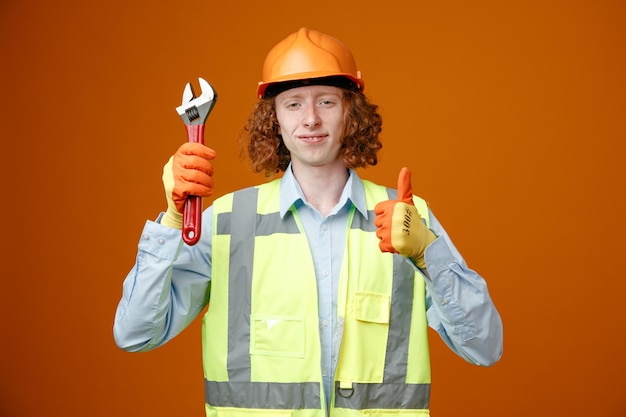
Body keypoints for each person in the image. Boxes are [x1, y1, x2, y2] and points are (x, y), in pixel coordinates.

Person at [114, 27, 503, 416]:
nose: (311, 119)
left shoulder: (406, 219)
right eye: (294, 104)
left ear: (352, 113)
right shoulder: (228, 223)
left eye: (327, 102)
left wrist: (428, 253)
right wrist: (171, 221)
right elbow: (135, 334)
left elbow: (485, 347)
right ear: (275, 120)